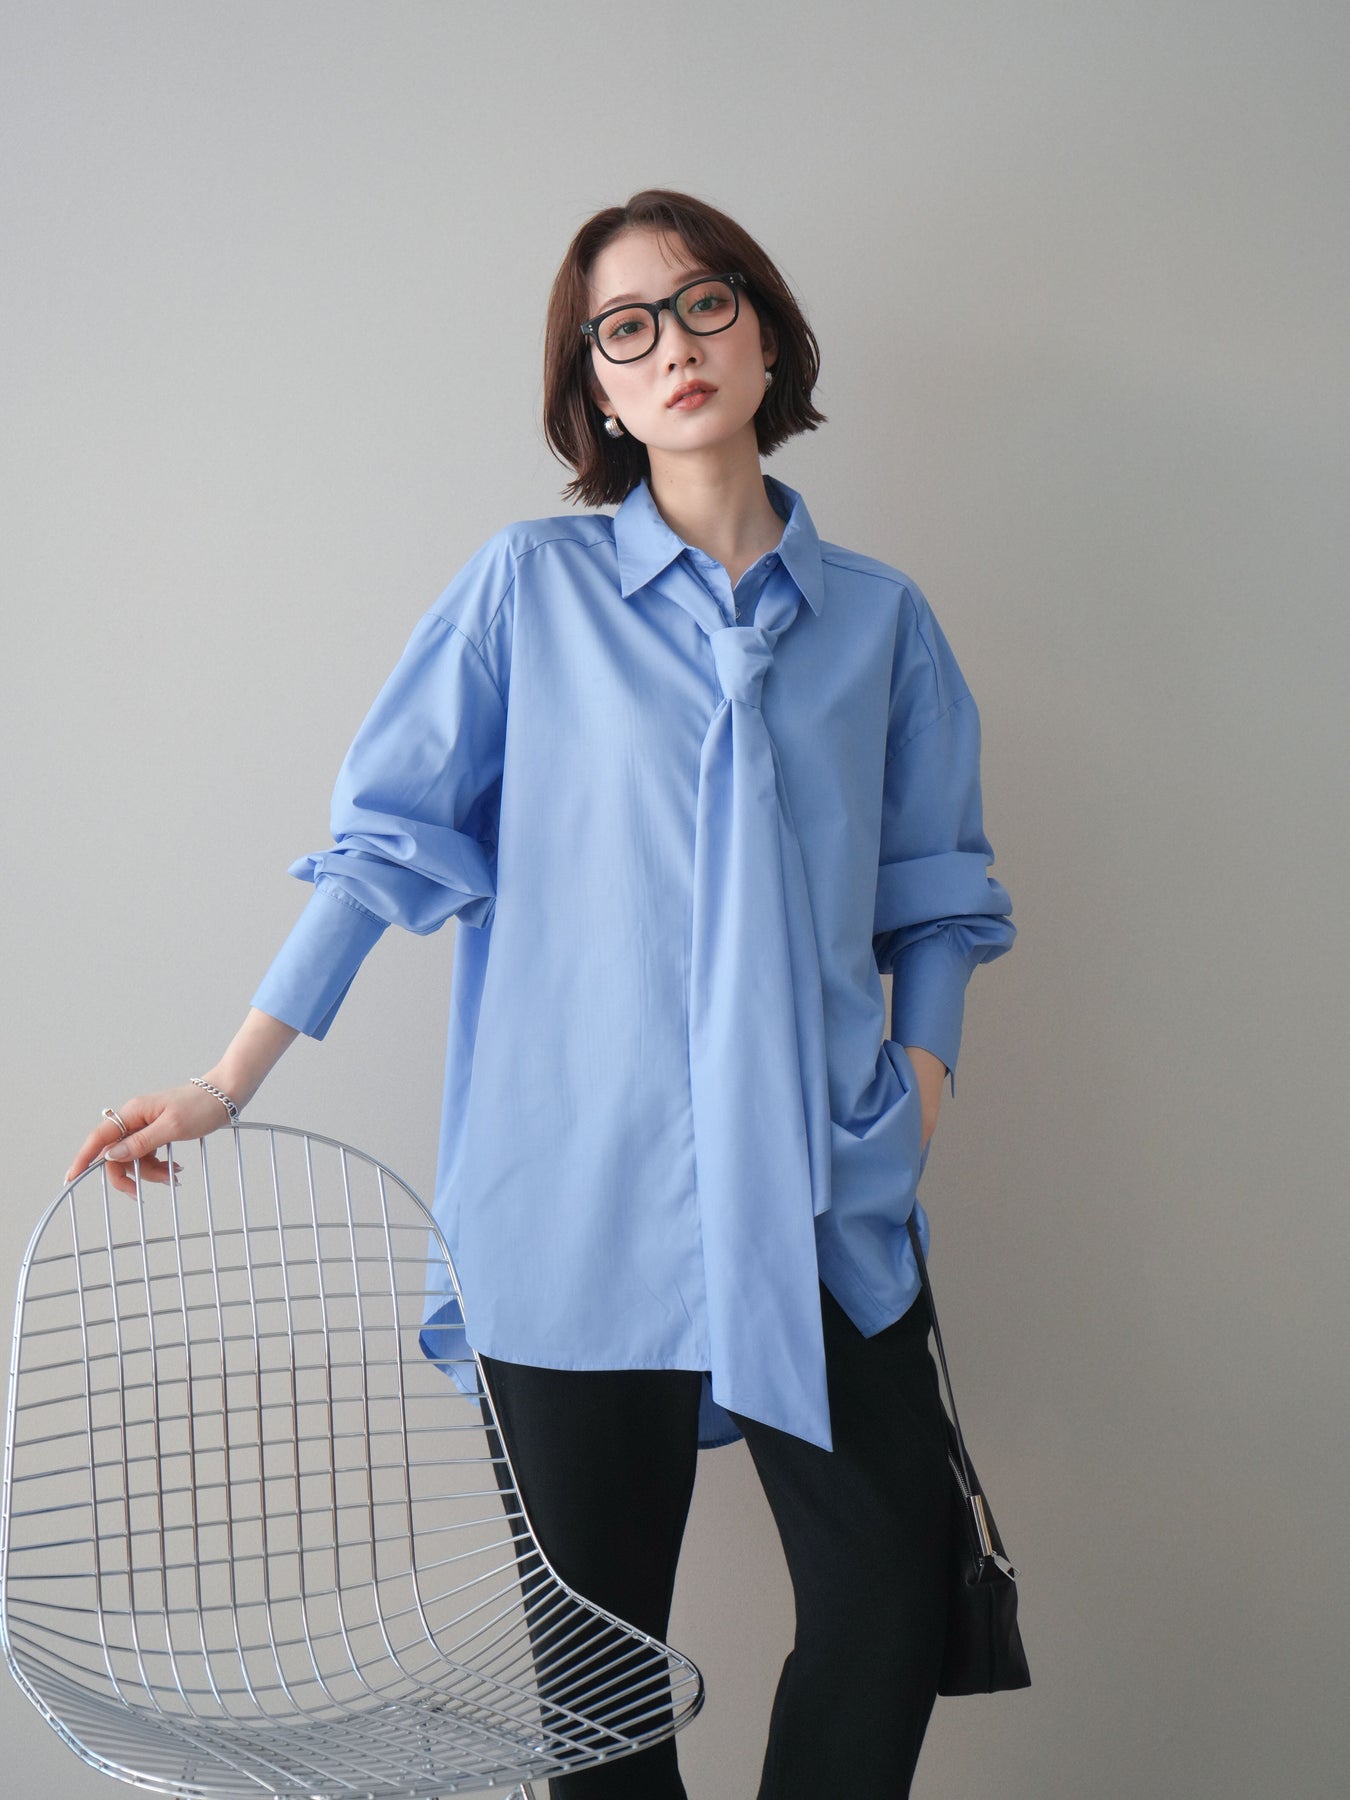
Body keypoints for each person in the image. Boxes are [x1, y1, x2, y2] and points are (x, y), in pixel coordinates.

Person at [65, 188, 1016, 1799]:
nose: (673, 346)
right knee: (599, 1675)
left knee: (888, 1592)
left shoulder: (879, 621)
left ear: (764, 332)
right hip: (577, 1197)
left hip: (819, 1186)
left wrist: (919, 1080)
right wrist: (228, 1082)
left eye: (703, 303)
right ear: (596, 387)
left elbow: (935, 888)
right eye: (624, 328)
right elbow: (384, 846)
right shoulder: (526, 589)